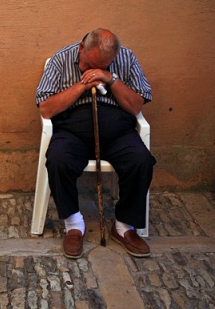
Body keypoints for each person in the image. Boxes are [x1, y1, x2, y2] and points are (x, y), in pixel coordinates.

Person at [35, 28, 155, 259]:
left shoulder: (127, 58)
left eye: (103, 67)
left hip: (117, 131)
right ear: (81, 47)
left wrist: (111, 79)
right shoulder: (61, 59)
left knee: (141, 161)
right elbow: (46, 108)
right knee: (58, 159)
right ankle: (74, 224)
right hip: (72, 130)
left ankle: (123, 226)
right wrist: (81, 85)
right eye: (89, 65)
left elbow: (136, 106)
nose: (94, 71)